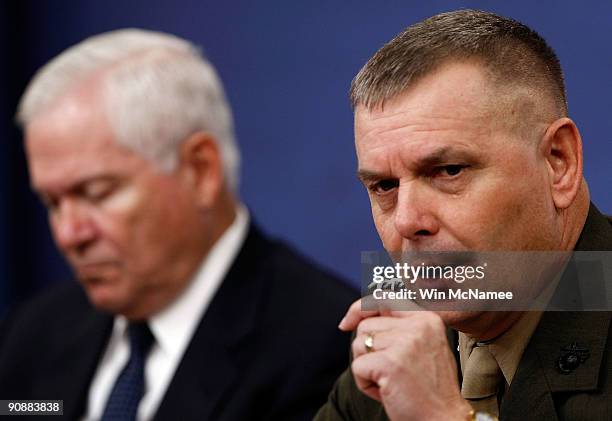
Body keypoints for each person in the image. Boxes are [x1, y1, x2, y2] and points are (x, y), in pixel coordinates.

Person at [0, 29, 357, 421]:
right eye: (52, 203)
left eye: (97, 193)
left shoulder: (325, 346)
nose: (69, 234)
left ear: (200, 169)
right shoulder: (33, 334)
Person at [315, 9, 612, 421]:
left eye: (449, 171)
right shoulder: (401, 357)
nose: (407, 220)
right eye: (385, 186)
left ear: (558, 163)